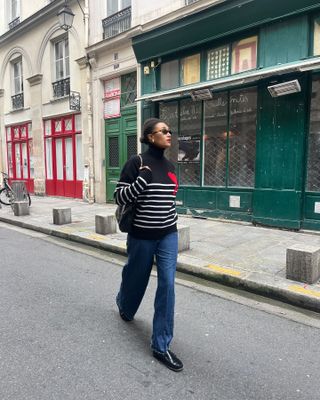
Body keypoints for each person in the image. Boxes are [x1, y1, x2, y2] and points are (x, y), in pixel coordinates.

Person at [114, 118, 183, 372]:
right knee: (136, 276)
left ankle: (160, 345)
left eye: (169, 131)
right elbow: (119, 196)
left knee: (168, 284)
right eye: (163, 131)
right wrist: (141, 180)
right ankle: (125, 303)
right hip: (142, 235)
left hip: (168, 234)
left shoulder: (170, 166)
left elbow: (170, 199)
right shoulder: (137, 163)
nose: (169, 134)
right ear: (149, 136)